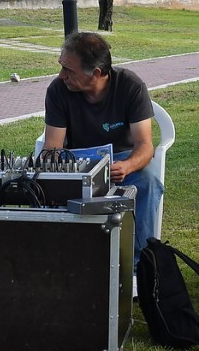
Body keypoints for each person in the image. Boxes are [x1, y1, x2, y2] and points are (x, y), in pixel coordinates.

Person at [44, 31, 162, 264]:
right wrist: (56, 165)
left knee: (148, 181)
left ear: (96, 73)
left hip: (122, 161)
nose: (61, 75)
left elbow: (145, 146)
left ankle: (140, 264)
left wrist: (127, 166)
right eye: (61, 66)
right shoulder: (58, 90)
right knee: (48, 184)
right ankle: (64, 260)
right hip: (77, 163)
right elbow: (51, 148)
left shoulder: (131, 85)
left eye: (68, 70)